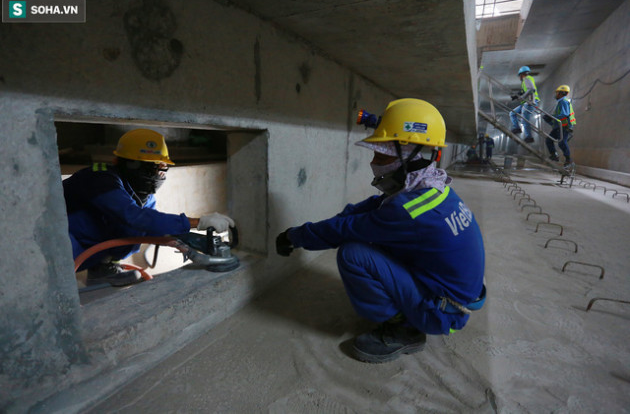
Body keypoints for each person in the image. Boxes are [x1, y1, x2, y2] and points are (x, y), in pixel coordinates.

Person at [275, 99, 486, 363]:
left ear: (413, 154)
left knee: (354, 253)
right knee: (372, 237)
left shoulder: (409, 211)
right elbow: (368, 209)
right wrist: (341, 220)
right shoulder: (431, 187)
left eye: (383, 155)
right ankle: (408, 310)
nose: (374, 162)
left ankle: (404, 330)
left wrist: (293, 237)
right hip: (449, 293)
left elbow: (346, 230)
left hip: (443, 311)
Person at [63, 128, 235, 286]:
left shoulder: (143, 197)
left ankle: (102, 268)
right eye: (149, 167)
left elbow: (151, 226)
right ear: (124, 163)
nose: (157, 174)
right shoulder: (101, 178)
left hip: (89, 247)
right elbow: (134, 216)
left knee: (138, 231)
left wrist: (196, 240)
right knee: (61, 251)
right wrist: (199, 221)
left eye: (161, 167)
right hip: (60, 243)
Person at [543, 85, 576, 167]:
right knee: (549, 140)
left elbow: (564, 114)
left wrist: (551, 117)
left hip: (564, 126)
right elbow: (557, 119)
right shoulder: (560, 103)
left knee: (562, 142)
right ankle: (554, 155)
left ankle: (569, 160)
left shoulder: (563, 102)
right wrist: (549, 120)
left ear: (562, 93)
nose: (556, 95)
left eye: (557, 93)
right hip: (559, 127)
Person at [509, 66, 540, 143]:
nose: (519, 77)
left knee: (524, 120)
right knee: (512, 113)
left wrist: (523, 96)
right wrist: (517, 95)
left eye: (519, 75)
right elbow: (525, 91)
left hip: (530, 102)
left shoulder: (526, 79)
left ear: (521, 74)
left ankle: (529, 137)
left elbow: (531, 89)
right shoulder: (526, 81)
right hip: (526, 102)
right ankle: (517, 128)